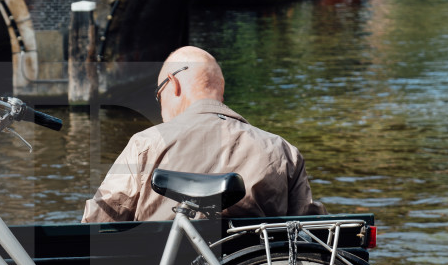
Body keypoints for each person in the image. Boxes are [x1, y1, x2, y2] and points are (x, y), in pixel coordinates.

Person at [82, 46, 324, 223]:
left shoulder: (146, 144)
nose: (160, 106)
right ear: (221, 90)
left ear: (173, 84)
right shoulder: (282, 151)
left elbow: (98, 224)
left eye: (159, 95)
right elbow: (310, 230)